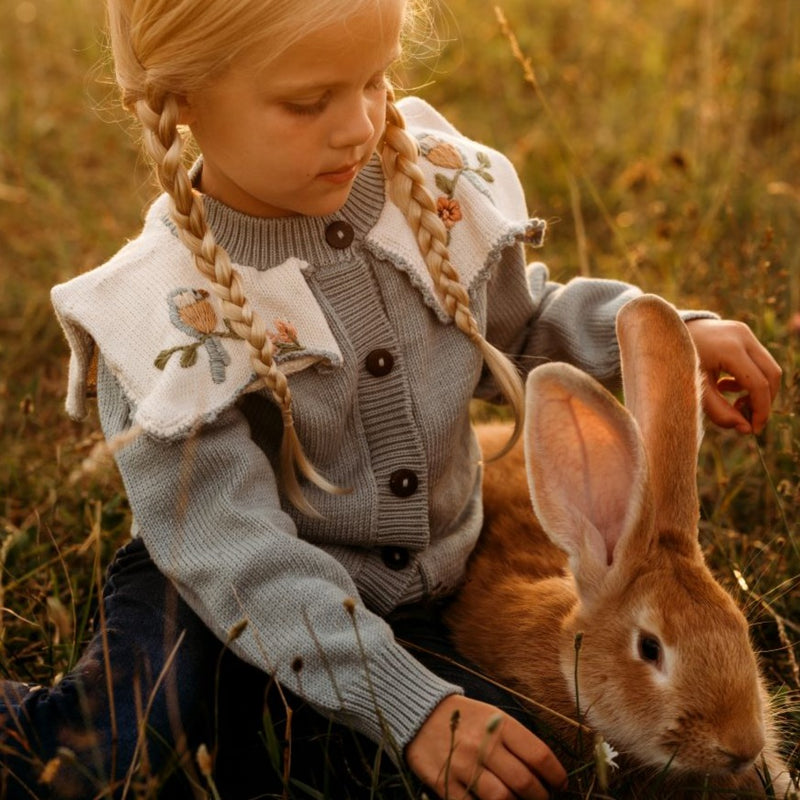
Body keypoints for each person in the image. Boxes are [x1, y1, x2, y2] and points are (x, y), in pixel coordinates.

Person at [0, 0, 781, 798]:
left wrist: (662, 333)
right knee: (118, 742)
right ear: (184, 98)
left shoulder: (426, 197)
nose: (358, 128)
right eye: (309, 103)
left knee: (516, 764)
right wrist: (412, 708)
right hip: (217, 591)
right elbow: (239, 555)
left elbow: (516, 324)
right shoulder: (167, 311)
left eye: (374, 82)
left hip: (419, 598)